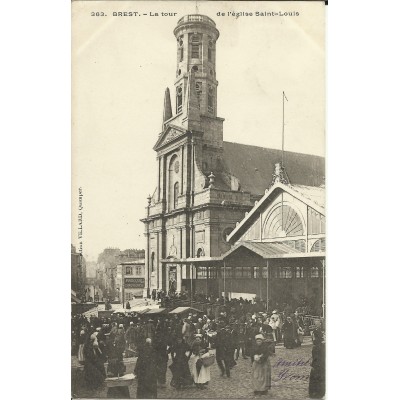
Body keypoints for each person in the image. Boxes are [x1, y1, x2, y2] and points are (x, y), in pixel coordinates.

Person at [309, 329, 325, 399]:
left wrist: (313, 365)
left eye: (313, 336)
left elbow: (317, 358)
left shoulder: (316, 347)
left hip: (318, 365)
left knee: (315, 377)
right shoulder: (322, 345)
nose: (312, 338)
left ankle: (315, 393)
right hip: (321, 365)